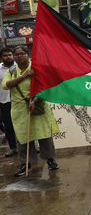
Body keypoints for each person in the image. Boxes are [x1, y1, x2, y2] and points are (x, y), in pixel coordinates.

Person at [1, 46, 60, 176]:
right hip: (19, 110)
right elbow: (6, 85)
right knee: (23, 137)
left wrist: (34, 100)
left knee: (44, 135)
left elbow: (45, 86)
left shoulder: (37, 68)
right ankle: (25, 164)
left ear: (28, 55)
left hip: (38, 106)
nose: (19, 56)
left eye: (22, 53)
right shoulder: (11, 72)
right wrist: (25, 76)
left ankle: (50, 160)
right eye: (16, 54)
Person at [0, 47, 18, 157]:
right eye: (5, 55)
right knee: (9, 126)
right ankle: (13, 148)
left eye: (10, 55)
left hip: (20, 101)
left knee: (24, 124)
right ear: (1, 58)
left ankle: (30, 147)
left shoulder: (20, 66)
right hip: (4, 101)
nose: (8, 57)